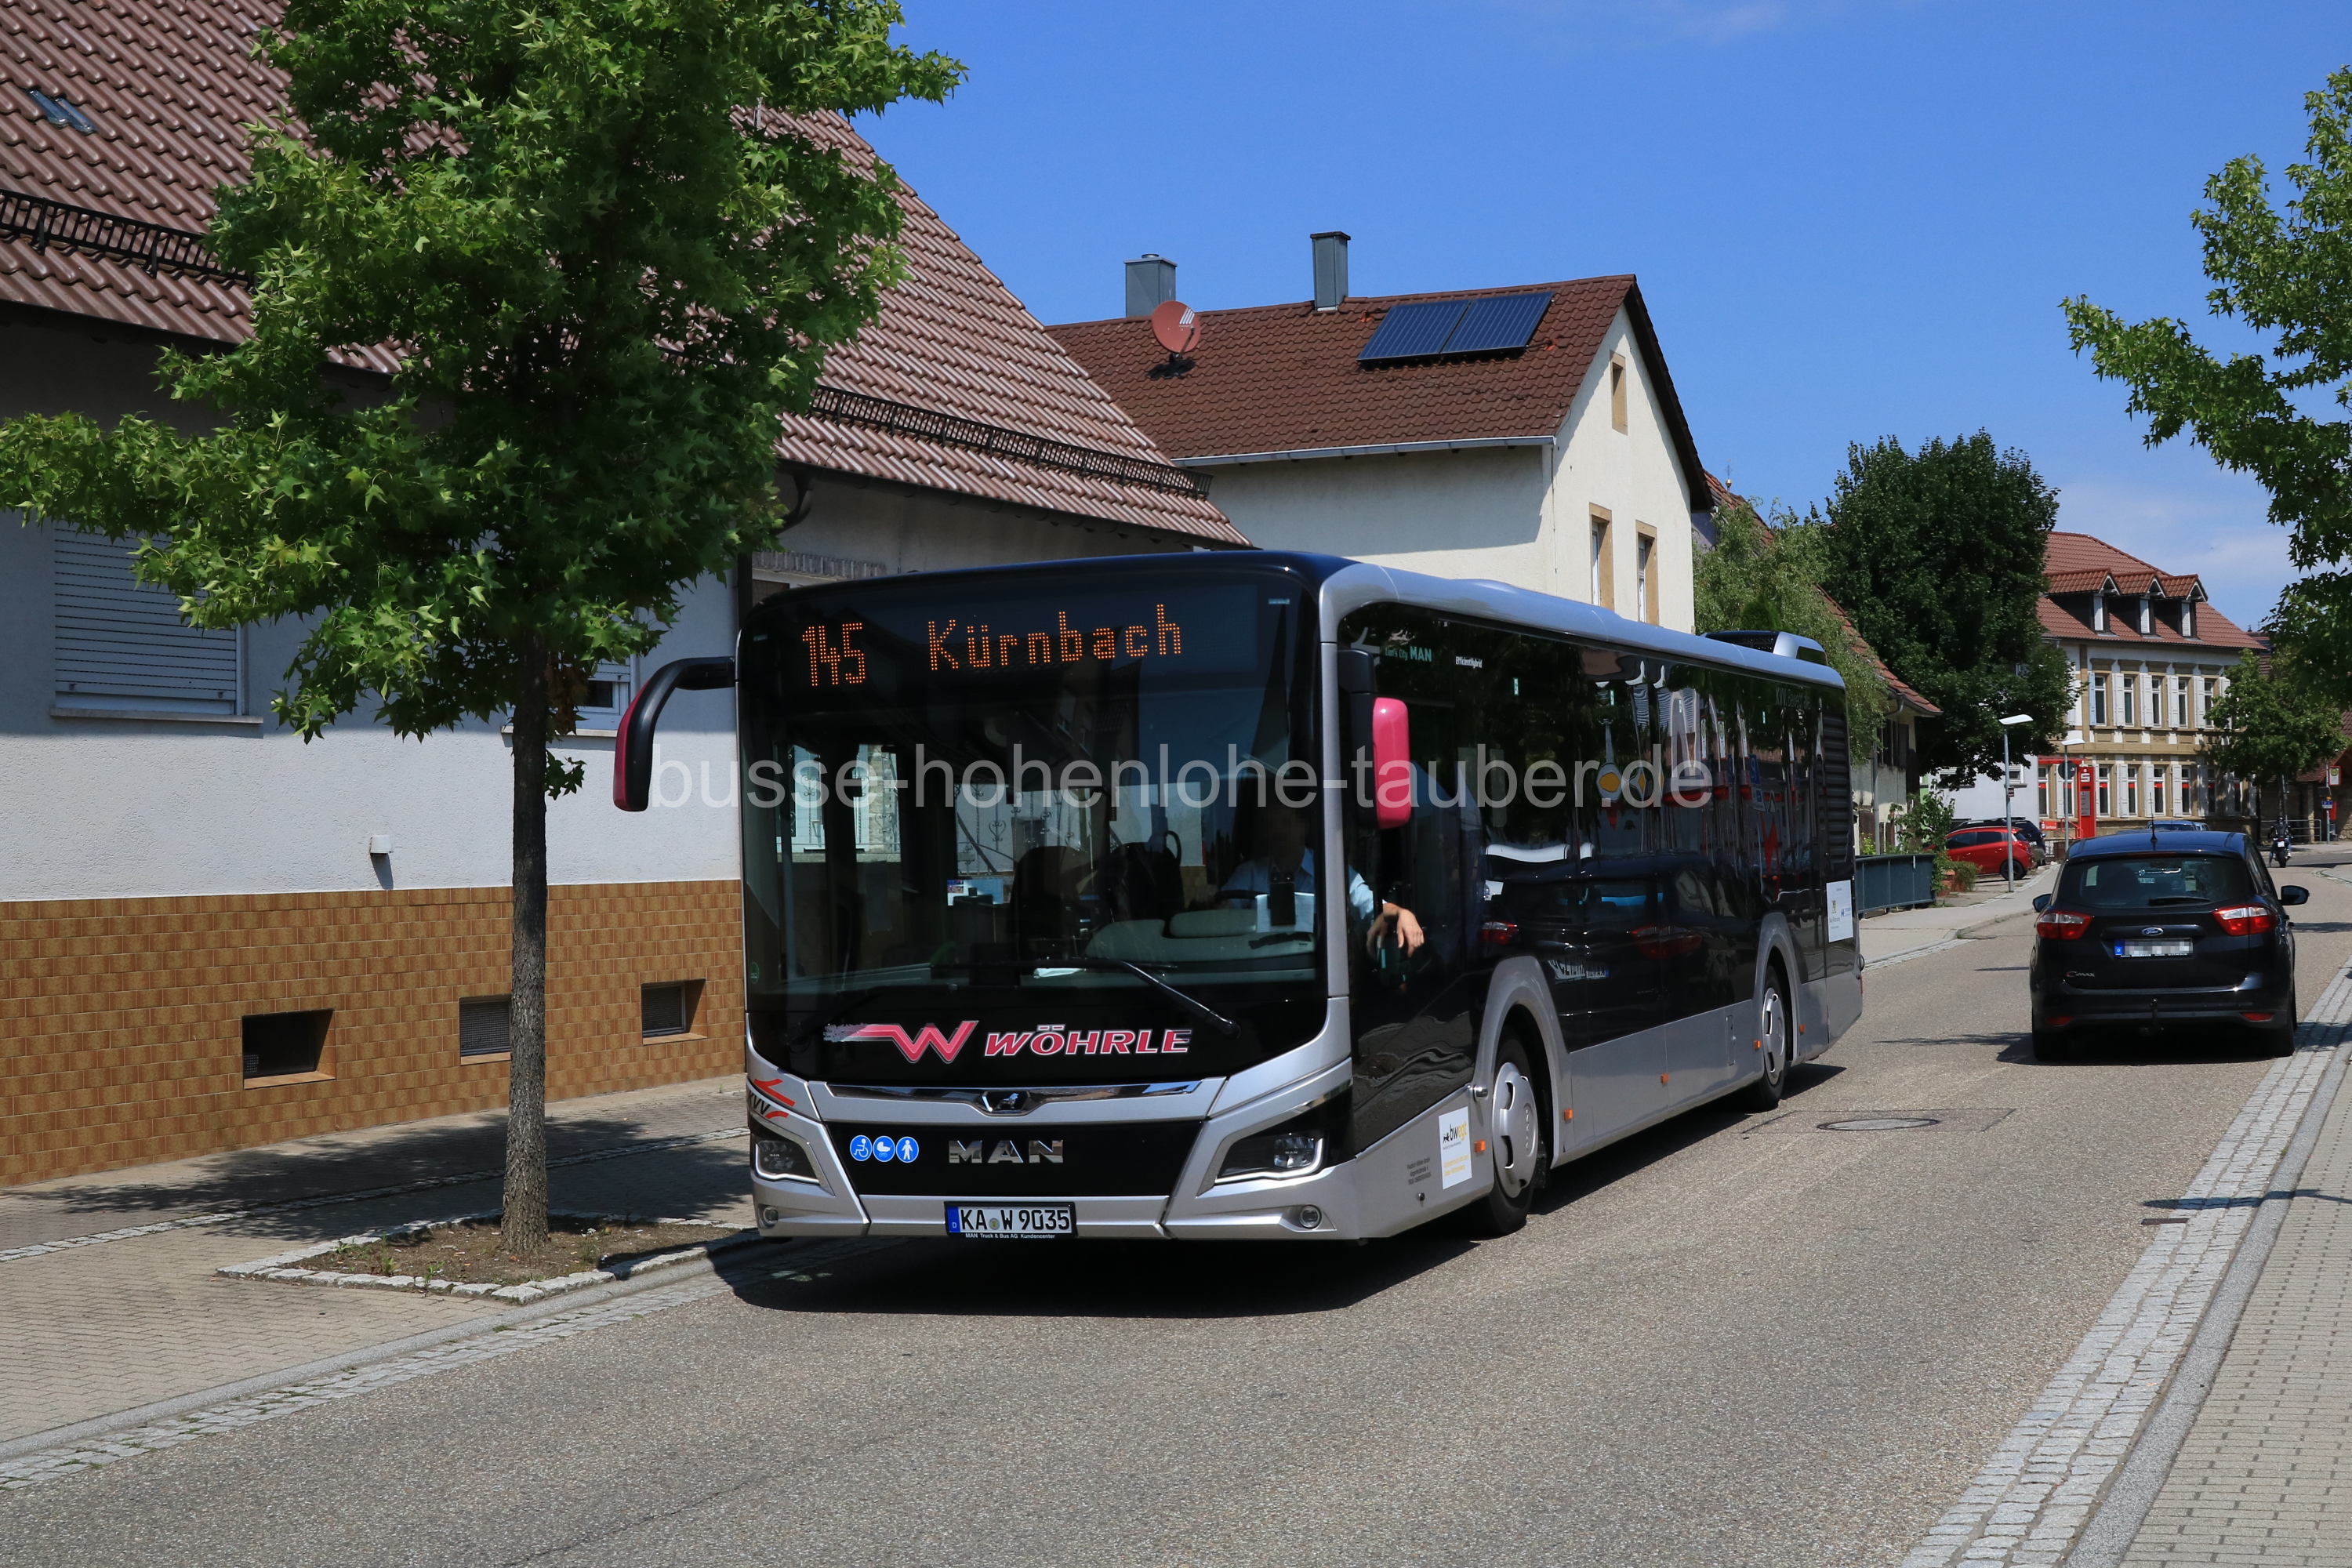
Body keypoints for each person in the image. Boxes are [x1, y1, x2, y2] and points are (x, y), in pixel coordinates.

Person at [1218, 804, 1424, 956]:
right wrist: (1209, 897)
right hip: (1260, 973)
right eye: (1271, 826)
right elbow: (1223, 914)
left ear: (1303, 827)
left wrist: (1401, 913)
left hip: (1319, 976)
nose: (1278, 832)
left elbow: (1371, 907)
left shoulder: (1332, 870)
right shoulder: (1250, 873)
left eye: (1285, 823)